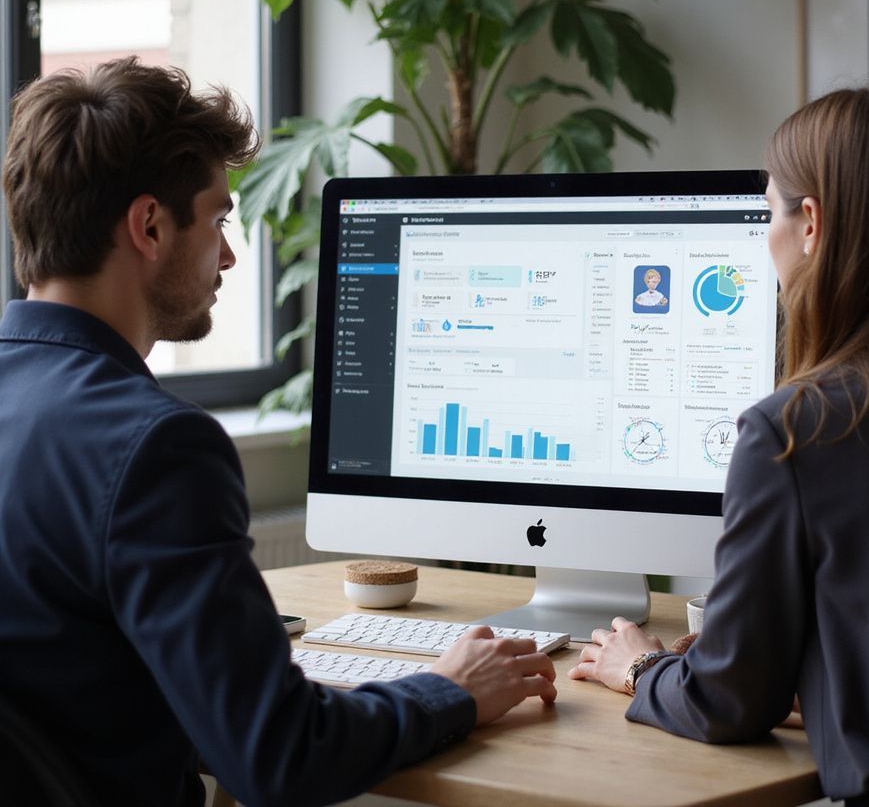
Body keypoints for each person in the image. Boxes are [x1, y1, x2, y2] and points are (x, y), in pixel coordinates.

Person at [0, 57, 556, 807]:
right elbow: (282, 757)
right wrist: (448, 690)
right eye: (219, 220)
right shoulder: (155, 448)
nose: (228, 254)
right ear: (150, 225)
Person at [569, 83, 869, 804]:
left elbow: (729, 702)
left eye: (767, 213)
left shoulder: (796, 431)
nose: (766, 239)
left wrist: (643, 668)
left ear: (810, 223)